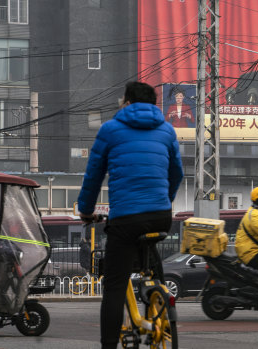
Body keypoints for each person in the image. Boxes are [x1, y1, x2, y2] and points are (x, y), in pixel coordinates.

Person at [77, 81, 184, 349]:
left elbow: (94, 175)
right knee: (148, 249)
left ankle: (109, 345)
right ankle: (157, 290)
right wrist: (164, 201)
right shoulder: (167, 130)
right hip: (160, 215)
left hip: (126, 218)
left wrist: (86, 210)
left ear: (126, 102)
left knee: (114, 286)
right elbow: (177, 174)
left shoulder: (110, 130)